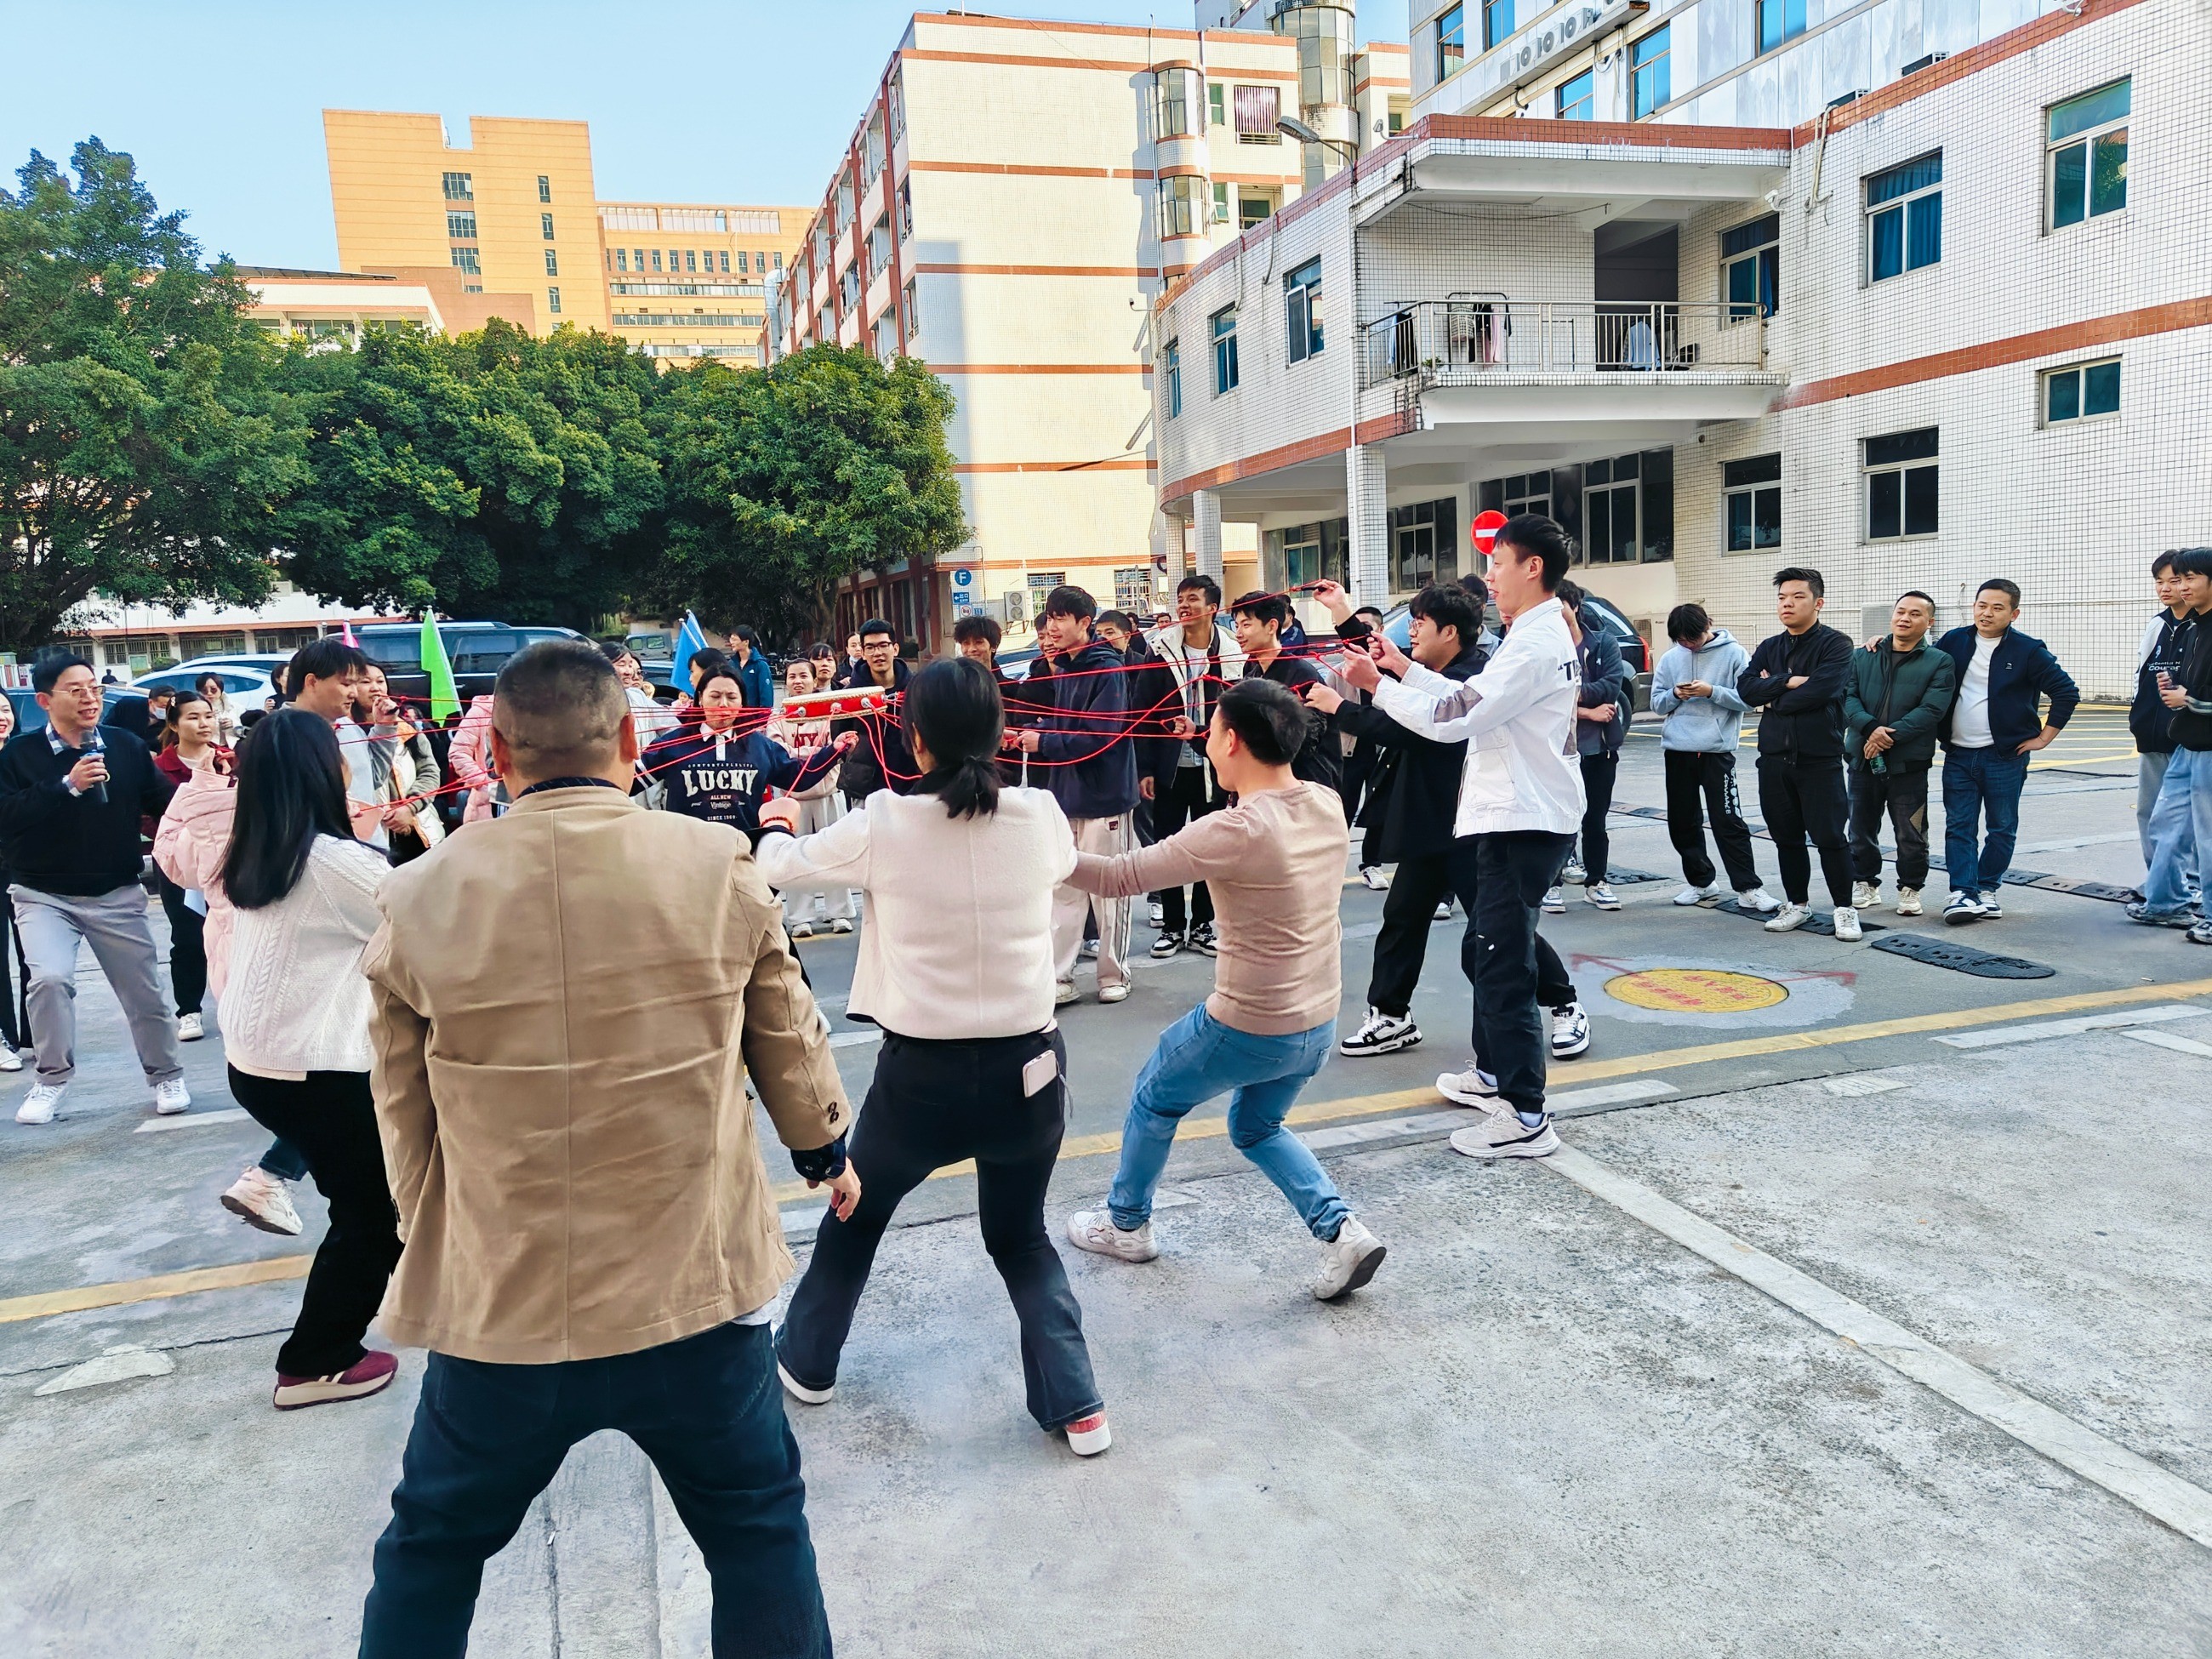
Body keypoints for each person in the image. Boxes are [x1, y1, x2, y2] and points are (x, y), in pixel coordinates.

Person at [357, 641, 852, 1656]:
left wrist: (433, 1236)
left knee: (432, 1548)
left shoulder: (418, 893)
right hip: (693, 1290)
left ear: (497, 754)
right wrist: (823, 1153)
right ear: (631, 738)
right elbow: (787, 1038)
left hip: (507, 1305)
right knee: (756, 1529)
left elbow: (401, 1107)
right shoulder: (712, 865)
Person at [756, 658, 1109, 1452]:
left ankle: (807, 1362)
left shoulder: (885, 821)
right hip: (1030, 1070)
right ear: (999, 732)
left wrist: (778, 820)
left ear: (913, 740)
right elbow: (1052, 862)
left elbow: (779, 868)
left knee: (856, 1215)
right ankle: (1078, 1404)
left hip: (921, 1079)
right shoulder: (1040, 813)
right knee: (1021, 1239)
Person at [1063, 677, 1387, 1298]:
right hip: (1317, 1022)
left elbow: (1118, 876)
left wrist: (1039, 847)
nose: (1206, 742)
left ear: (1232, 741)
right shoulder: (1324, 801)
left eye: (1210, 732)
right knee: (1257, 1127)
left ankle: (1125, 1224)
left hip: (1249, 1023)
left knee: (1155, 1097)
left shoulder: (1234, 829)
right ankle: (1342, 1231)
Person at [1340, 514, 1583, 1157]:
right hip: (1513, 815)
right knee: (1488, 953)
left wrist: (1379, 687)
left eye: (1498, 563)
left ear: (1532, 567)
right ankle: (1496, 1074)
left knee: (1502, 966)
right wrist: (1402, 668)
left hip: (1522, 820)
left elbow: (1453, 717)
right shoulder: (1532, 632)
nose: (1489, 577)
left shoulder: (1533, 643)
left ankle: (1525, 1115)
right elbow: (1471, 694)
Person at [214, 710, 402, 1410]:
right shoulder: (335, 863)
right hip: (313, 1069)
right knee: (374, 1215)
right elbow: (433, 924)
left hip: (260, 1064)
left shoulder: (259, 846)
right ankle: (315, 1361)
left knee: (366, 1200)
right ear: (325, 771)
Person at [0, 654, 189, 1126]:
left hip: (116, 890)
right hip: (42, 893)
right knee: (49, 980)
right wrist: (66, 785)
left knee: (144, 991)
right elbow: (7, 816)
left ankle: (166, 1075)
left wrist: (206, 797)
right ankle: (51, 1079)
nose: (90, 698)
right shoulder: (18, 755)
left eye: (94, 688)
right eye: (76, 690)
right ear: (44, 700)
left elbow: (164, 803)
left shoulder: (124, 746)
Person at [154, 720, 312, 1239]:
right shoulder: (305, 827)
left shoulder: (208, 811)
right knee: (351, 1091)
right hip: (296, 983)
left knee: (337, 1096)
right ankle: (272, 1176)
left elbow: (173, 859)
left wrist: (198, 789)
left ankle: (273, 1176)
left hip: (240, 984)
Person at [1009, 585, 1138, 1005]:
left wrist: (1044, 742)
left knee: (1109, 889)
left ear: (1085, 622)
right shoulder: (1065, 667)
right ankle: (1059, 976)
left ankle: (1114, 974)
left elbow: (1101, 736)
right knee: (1064, 888)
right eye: (1049, 617)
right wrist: (1030, 734)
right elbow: (1066, 725)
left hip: (1105, 796)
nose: (1052, 626)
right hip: (1067, 795)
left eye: (1061, 617)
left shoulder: (1108, 670)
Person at [1934, 579, 2080, 926]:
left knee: (2001, 827)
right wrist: (1880, 642)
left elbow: (2066, 692)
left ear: (2014, 614)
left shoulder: (2028, 650)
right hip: (1958, 754)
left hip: (2005, 757)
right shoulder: (1954, 641)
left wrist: (2043, 738)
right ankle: (1963, 892)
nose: (1987, 613)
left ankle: (1987, 889)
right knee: (1959, 826)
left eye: (1997, 608)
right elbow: (1918, 660)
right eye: (1981, 605)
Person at [1739, 567, 1860, 939]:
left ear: (1818, 603)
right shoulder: (1769, 647)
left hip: (1818, 760)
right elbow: (1746, 689)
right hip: (1774, 760)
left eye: (1797, 597)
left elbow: (1822, 691)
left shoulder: (1836, 645)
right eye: (1782, 598)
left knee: (1831, 838)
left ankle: (1845, 909)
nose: (1787, 604)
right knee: (1786, 838)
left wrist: (1773, 697)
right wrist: (1788, 682)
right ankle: (1798, 905)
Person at [1139, 575, 1243, 959]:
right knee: (1168, 848)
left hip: (1215, 768)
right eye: (1180, 598)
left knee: (1209, 848)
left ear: (1212, 608)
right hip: (1170, 767)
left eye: (1193, 599)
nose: (1184, 605)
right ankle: (1171, 926)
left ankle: (1201, 925)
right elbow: (1143, 712)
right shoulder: (1159, 649)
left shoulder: (1232, 652)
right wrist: (1145, 768)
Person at [1650, 604, 1775, 911]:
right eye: (1682, 641)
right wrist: (1675, 695)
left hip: (1717, 752)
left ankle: (1749, 887)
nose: (1689, 645)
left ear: (1708, 625)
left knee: (1728, 820)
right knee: (1682, 822)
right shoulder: (1670, 658)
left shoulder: (1734, 654)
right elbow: (1656, 704)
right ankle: (1701, 882)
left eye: (1693, 638)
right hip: (1678, 750)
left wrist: (1711, 691)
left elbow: (1749, 700)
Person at [641, 664, 847, 841]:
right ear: (701, 698)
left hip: (744, 852)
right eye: (715, 696)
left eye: (732, 697)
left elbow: (797, 776)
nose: (723, 704)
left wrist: (833, 752)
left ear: (742, 703)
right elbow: (632, 780)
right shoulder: (673, 744)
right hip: (688, 852)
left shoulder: (759, 746)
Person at [1844, 591, 1956, 917]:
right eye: (1901, 611)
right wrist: (1870, 729)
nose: (1905, 618)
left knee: (1911, 832)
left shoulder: (1940, 661)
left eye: (1915, 614)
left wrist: (1884, 738)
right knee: (1860, 829)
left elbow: (1932, 709)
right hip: (1863, 759)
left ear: (1929, 622)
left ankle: (1910, 888)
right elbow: (1847, 696)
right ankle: (1865, 882)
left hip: (1909, 765)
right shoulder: (1863, 655)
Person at [2130, 548, 2212, 937]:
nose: (2180, 587)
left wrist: (2189, 700)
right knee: (2165, 823)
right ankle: (2166, 903)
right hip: (2185, 744)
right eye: (2174, 580)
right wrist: (2176, 690)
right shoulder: (2192, 628)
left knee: (2207, 835)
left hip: (2207, 748)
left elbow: (2197, 696)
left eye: (2189, 578)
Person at [150, 691, 226, 1041]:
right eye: (193, 717)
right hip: (178, 864)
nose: (203, 724)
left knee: (232, 931)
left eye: (208, 716)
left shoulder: (229, 761)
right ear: (174, 724)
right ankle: (189, 1010)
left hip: (225, 858)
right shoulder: (160, 768)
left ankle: (232, 1004)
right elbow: (148, 815)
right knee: (187, 935)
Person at [1548, 579, 1628, 912]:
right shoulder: (1546, 648)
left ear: (1575, 607)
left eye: (1559, 606)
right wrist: (1587, 710)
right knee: (1557, 820)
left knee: (1595, 819)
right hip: (1557, 750)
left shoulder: (1603, 643)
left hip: (1599, 749)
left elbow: (1611, 686)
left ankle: (1597, 882)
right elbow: (1541, 698)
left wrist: (1569, 695)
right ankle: (1551, 885)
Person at [768, 659, 858, 938]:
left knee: (835, 853)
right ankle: (800, 917)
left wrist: (818, 754)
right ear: (786, 682)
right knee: (795, 857)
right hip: (793, 799)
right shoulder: (778, 717)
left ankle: (839, 912)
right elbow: (779, 753)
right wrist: (820, 753)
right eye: (792, 676)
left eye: (803, 676)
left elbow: (838, 746)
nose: (798, 681)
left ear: (813, 679)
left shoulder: (830, 711)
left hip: (828, 793)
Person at [1229, 590, 1339, 791]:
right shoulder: (1252, 673)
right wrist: (1196, 732)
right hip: (1268, 786)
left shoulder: (1302, 674)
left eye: (1246, 625)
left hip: (1304, 786)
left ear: (1272, 626)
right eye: (1236, 626)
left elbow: (1307, 738)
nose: (1238, 634)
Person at [834, 619, 917, 801]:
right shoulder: (850, 694)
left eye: (883, 645)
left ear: (895, 649)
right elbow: (839, 736)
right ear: (863, 653)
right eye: (870, 647)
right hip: (866, 789)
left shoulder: (916, 688)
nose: (877, 653)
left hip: (912, 784)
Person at [0, 698, 24, 1073]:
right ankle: (3, 1036)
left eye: (5, 709)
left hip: (24, 866)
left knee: (34, 954)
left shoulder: (22, 757)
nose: (1, 717)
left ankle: (36, 1034)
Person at [605, 641, 679, 747]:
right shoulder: (589, 702)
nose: (629, 672)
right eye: (622, 665)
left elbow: (673, 728)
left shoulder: (637, 697)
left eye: (630, 665)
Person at [727, 624, 776, 712]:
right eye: (731, 639)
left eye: (734, 640)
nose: (731, 642)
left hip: (754, 717)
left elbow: (766, 696)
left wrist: (762, 717)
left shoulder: (760, 665)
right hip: (735, 715)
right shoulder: (731, 664)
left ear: (746, 642)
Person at [197, 671, 243, 748]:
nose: (209, 693)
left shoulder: (236, 707)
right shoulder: (196, 709)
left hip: (235, 747)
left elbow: (247, 731)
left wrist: (234, 724)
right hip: (209, 748)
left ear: (220, 689)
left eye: (213, 689)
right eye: (204, 691)